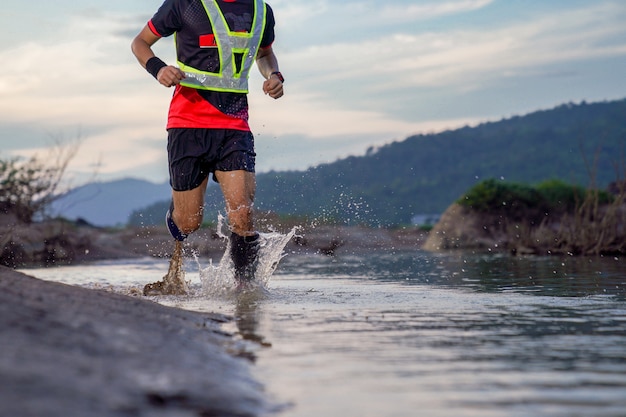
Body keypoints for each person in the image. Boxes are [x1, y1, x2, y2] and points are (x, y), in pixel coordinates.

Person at [131, 0, 284, 285]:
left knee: (243, 214)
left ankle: (246, 294)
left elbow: (265, 54)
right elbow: (140, 42)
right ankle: (177, 212)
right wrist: (158, 68)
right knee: (189, 222)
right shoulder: (184, 4)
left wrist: (273, 74)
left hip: (234, 126)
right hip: (187, 125)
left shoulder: (262, 11)